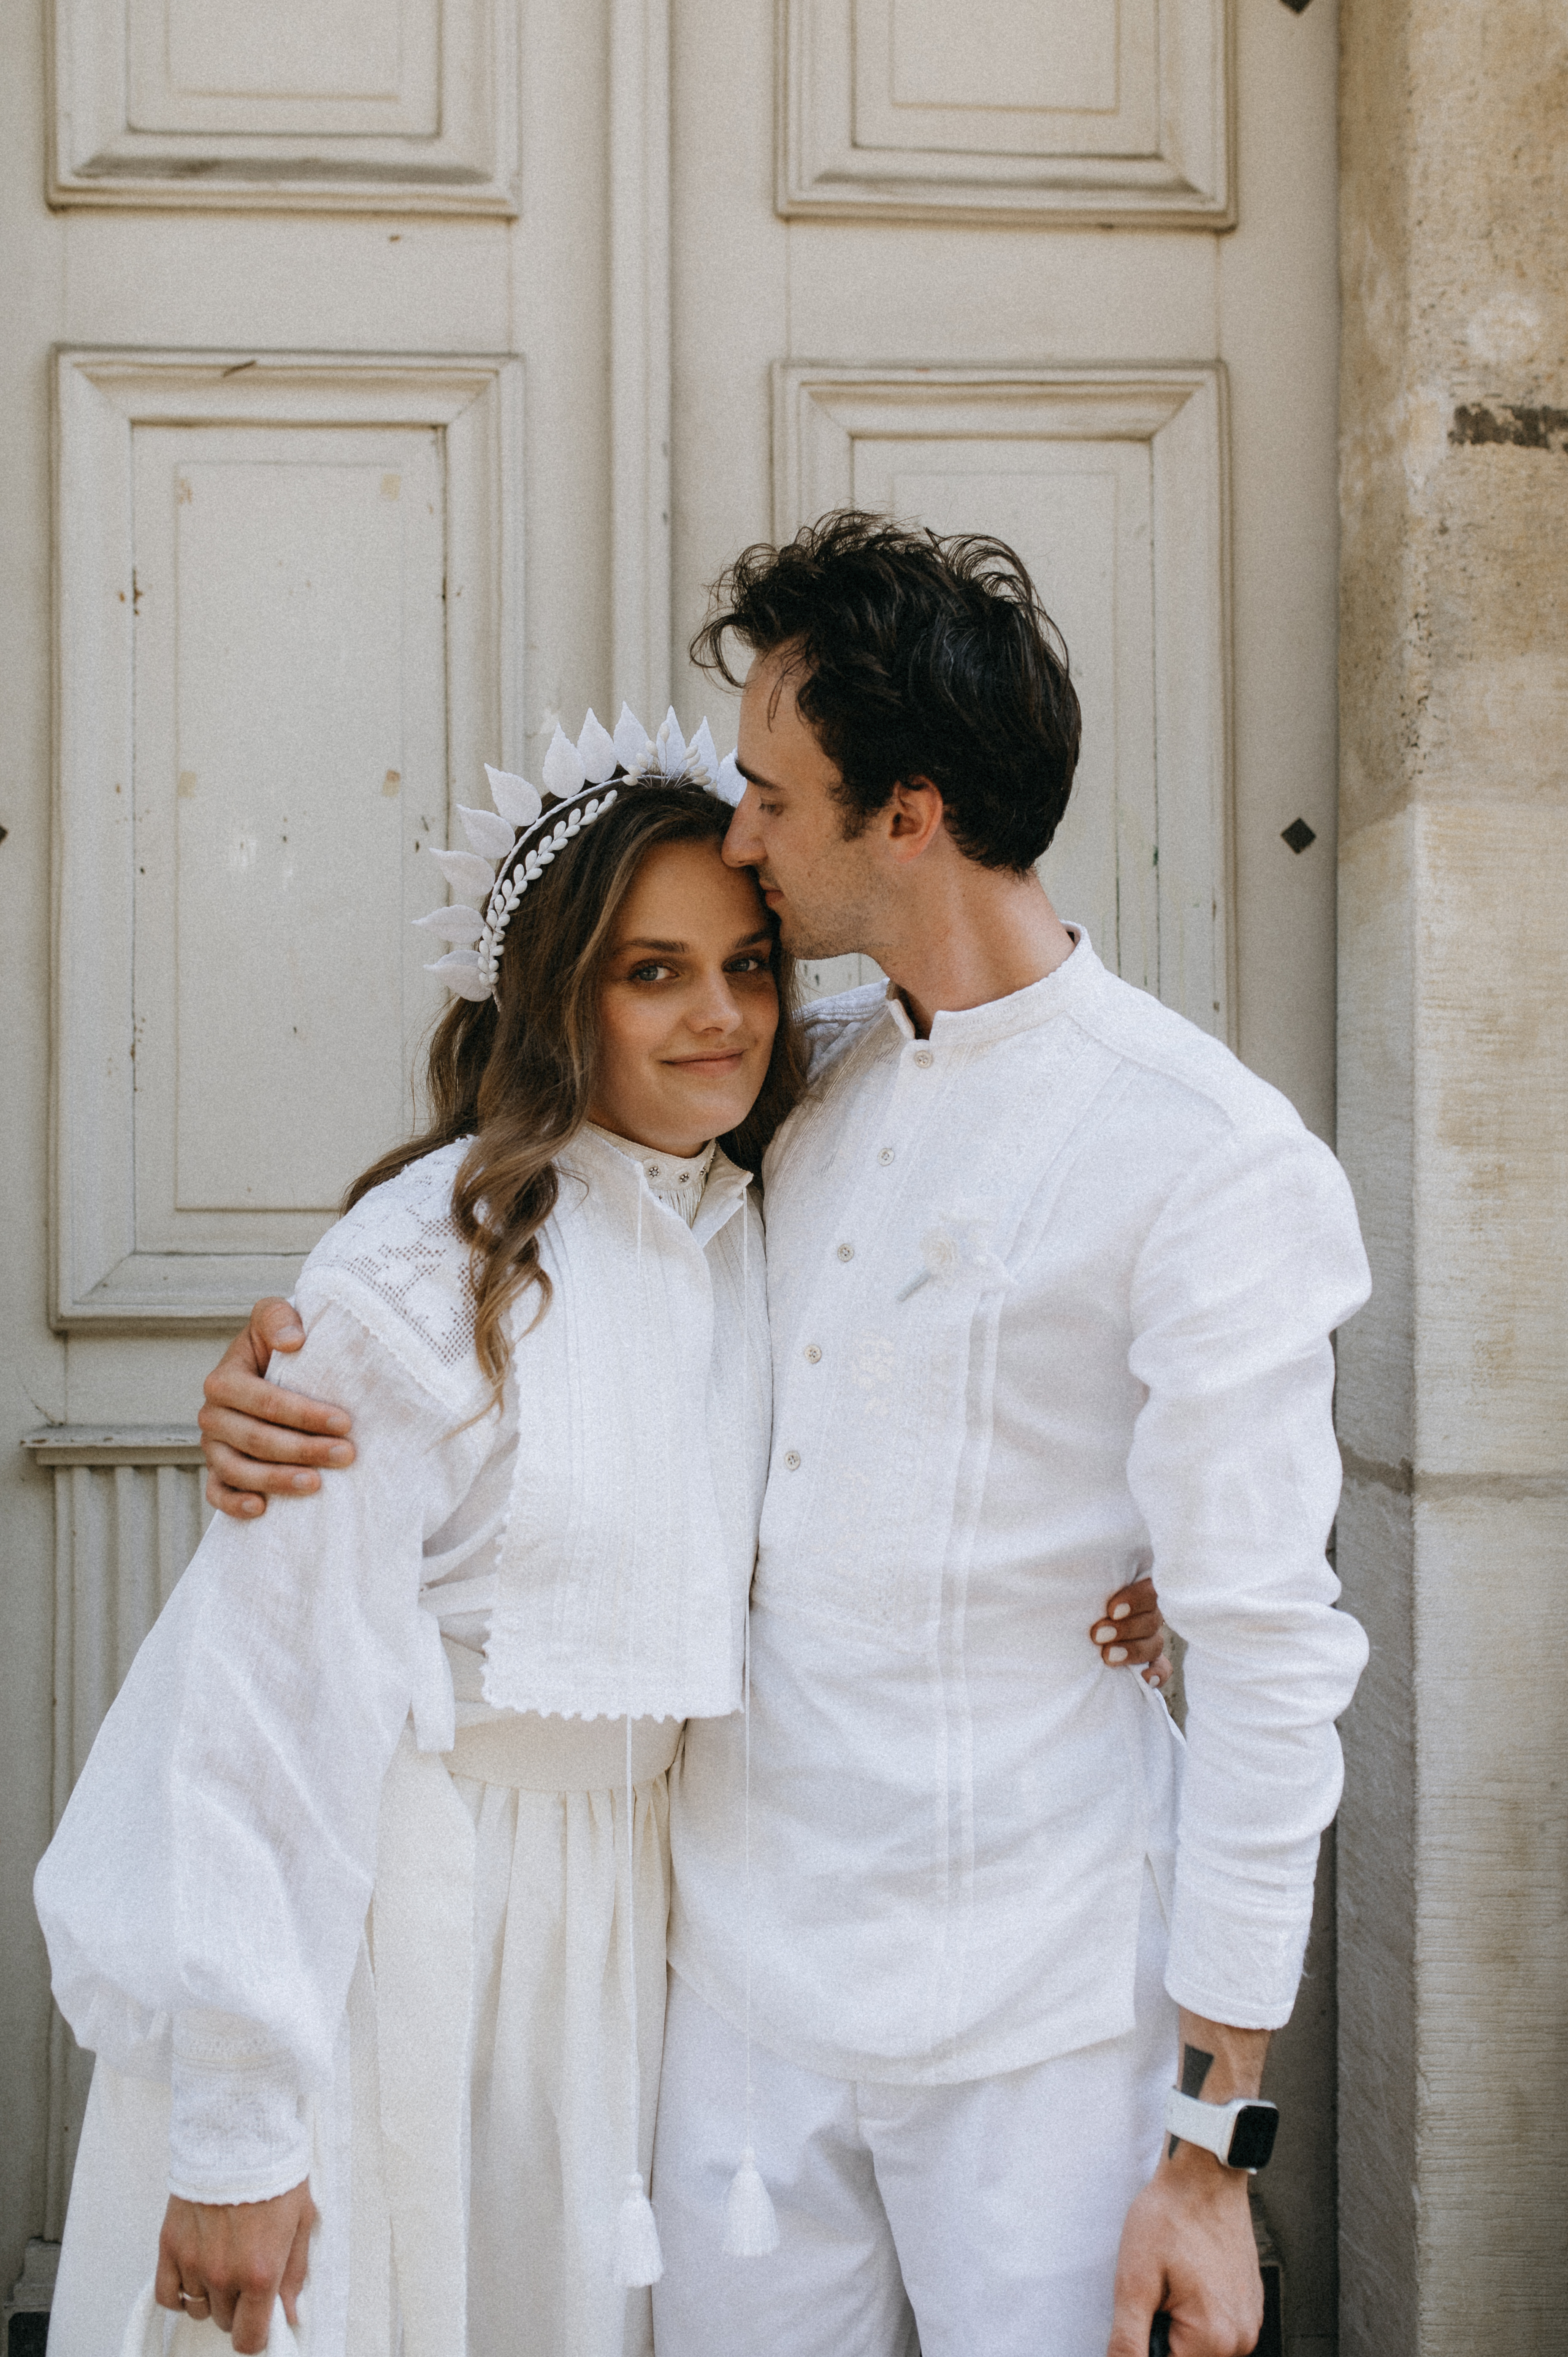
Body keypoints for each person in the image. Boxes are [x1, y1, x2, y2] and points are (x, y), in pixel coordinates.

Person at [197, 513, 1354, 2357]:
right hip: (727, 1997)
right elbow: (531, 1258)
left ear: (904, 813)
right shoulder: (789, 1095)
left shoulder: (1204, 1158)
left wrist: (1209, 2145)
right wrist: (284, 1376)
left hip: (1038, 2008)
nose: (732, 835)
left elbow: (1275, 1654)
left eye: (764, 793)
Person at [35, 722, 796, 2357]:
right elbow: (271, 1693)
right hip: (416, 1907)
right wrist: (244, 2123)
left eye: (748, 962)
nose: (718, 1014)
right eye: (650, 970)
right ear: (555, 994)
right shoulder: (425, 1264)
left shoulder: (745, 1221)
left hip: (638, 1916)